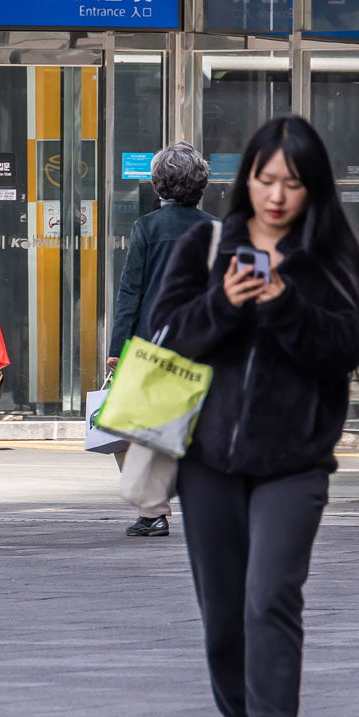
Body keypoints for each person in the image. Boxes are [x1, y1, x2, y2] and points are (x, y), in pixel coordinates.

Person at [147, 115, 359, 717]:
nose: (277, 195)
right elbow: (168, 333)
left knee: (271, 593)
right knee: (222, 611)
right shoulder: (205, 245)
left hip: (294, 461)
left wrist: (281, 302)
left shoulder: (331, 258)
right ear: (246, 179)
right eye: (265, 178)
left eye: (293, 183)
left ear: (313, 188)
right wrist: (224, 301)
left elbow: (345, 348)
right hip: (208, 460)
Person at [108, 141, 220, 538]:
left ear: (158, 184)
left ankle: (153, 510)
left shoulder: (147, 228)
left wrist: (117, 348)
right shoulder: (216, 229)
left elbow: (130, 293)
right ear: (201, 184)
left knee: (130, 428)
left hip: (151, 344)